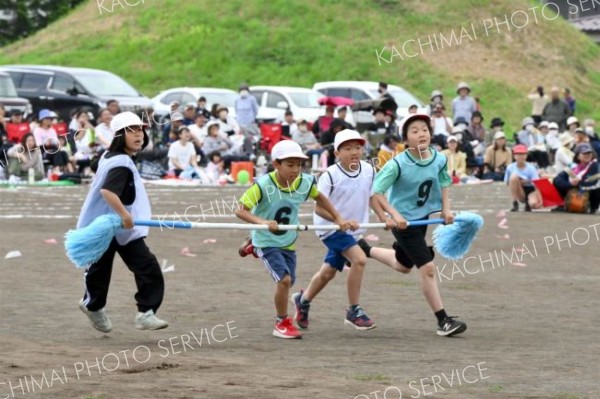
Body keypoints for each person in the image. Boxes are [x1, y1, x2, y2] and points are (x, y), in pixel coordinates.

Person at [362, 113, 467, 337]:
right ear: (406, 140)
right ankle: (443, 320)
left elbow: (444, 183)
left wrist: (446, 209)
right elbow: (376, 191)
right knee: (427, 268)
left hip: (424, 218)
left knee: (403, 265)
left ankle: (366, 249)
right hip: (405, 223)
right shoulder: (397, 163)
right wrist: (393, 215)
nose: (421, 134)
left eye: (425, 129)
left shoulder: (439, 159)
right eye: (415, 131)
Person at [235, 140, 350, 339]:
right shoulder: (263, 185)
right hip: (266, 239)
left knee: (290, 279)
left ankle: (252, 248)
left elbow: (320, 198)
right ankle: (281, 322)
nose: (295, 170)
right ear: (276, 164)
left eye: (299, 165)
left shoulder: (305, 182)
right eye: (290, 165)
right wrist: (262, 222)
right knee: (284, 281)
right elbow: (240, 210)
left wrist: (338, 218)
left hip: (288, 241)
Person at [77, 112, 168, 333]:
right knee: (99, 271)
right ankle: (92, 306)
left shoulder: (111, 156)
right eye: (132, 130)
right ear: (119, 135)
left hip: (123, 230)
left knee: (148, 267)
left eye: (140, 130)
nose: (139, 134)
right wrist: (125, 216)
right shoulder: (121, 163)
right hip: (107, 227)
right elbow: (108, 191)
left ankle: (145, 313)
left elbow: (95, 163)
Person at [292, 130, 375, 331]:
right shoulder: (330, 175)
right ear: (337, 153)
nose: (354, 152)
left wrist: (388, 217)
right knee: (359, 259)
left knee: (328, 272)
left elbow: (374, 197)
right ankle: (353, 310)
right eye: (347, 148)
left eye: (357, 147)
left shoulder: (369, 170)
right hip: (329, 228)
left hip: (352, 231)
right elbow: (319, 207)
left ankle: (302, 300)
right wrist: (340, 220)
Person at [552, 143, 599, 213]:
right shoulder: (573, 167)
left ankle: (593, 207)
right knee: (558, 181)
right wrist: (570, 184)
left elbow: (592, 181)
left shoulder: (595, 165)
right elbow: (557, 180)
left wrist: (578, 182)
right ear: (578, 156)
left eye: (589, 153)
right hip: (576, 189)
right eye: (584, 153)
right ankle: (562, 205)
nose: (587, 155)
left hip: (590, 193)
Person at [505, 144, 542, 212]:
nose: (520, 157)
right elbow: (507, 182)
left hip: (531, 190)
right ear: (514, 156)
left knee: (533, 204)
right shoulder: (510, 167)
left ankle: (528, 203)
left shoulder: (531, 168)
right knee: (513, 177)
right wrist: (518, 182)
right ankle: (514, 202)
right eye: (518, 154)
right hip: (520, 189)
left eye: (522, 154)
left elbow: (537, 184)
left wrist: (541, 200)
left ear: (526, 155)